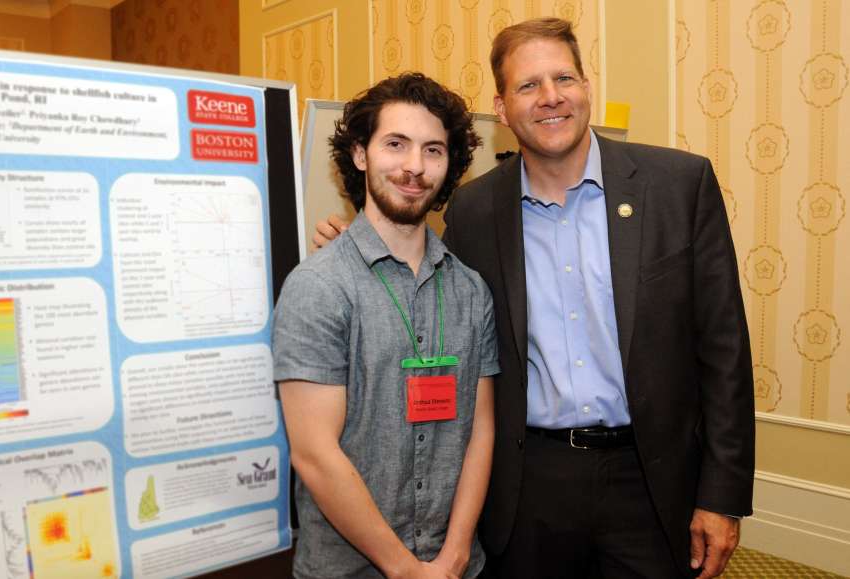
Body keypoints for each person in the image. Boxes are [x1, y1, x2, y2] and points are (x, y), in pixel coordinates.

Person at [314, 18, 755, 579]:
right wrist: (353, 246)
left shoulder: (678, 186)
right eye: (528, 86)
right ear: (501, 109)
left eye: (563, 78)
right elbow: (428, 298)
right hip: (528, 487)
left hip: (652, 479)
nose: (550, 98)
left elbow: (725, 350)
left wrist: (721, 494)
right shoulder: (474, 212)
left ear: (586, 87)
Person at [273, 72, 498, 579]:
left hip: (457, 566)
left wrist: (455, 556)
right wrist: (405, 569)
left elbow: (481, 430)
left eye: (433, 150)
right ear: (360, 153)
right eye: (396, 144)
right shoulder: (319, 287)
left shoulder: (470, 290)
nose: (414, 167)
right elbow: (314, 454)